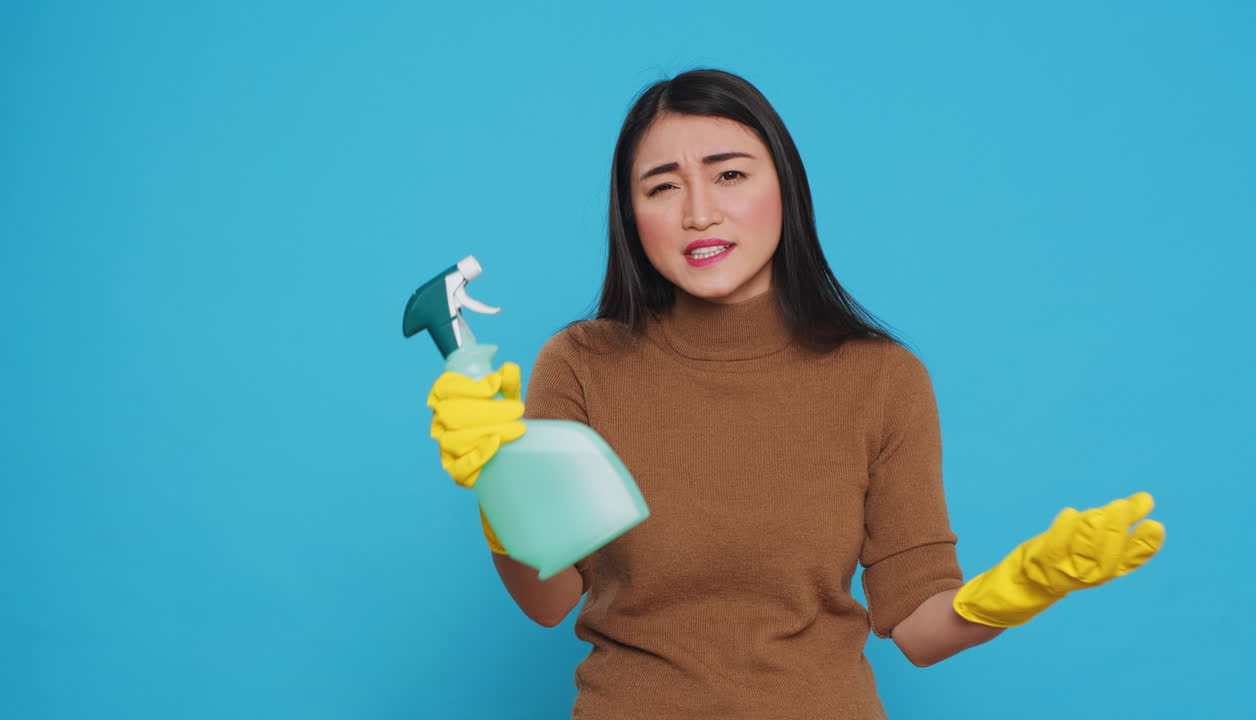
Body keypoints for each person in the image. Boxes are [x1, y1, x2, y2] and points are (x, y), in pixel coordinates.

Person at [425, 68, 1165, 719]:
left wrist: (1027, 586)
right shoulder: (583, 362)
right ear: (631, 216)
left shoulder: (881, 378)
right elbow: (546, 601)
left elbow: (918, 628)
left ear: (786, 186)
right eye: (661, 187)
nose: (698, 213)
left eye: (729, 174)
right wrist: (499, 488)